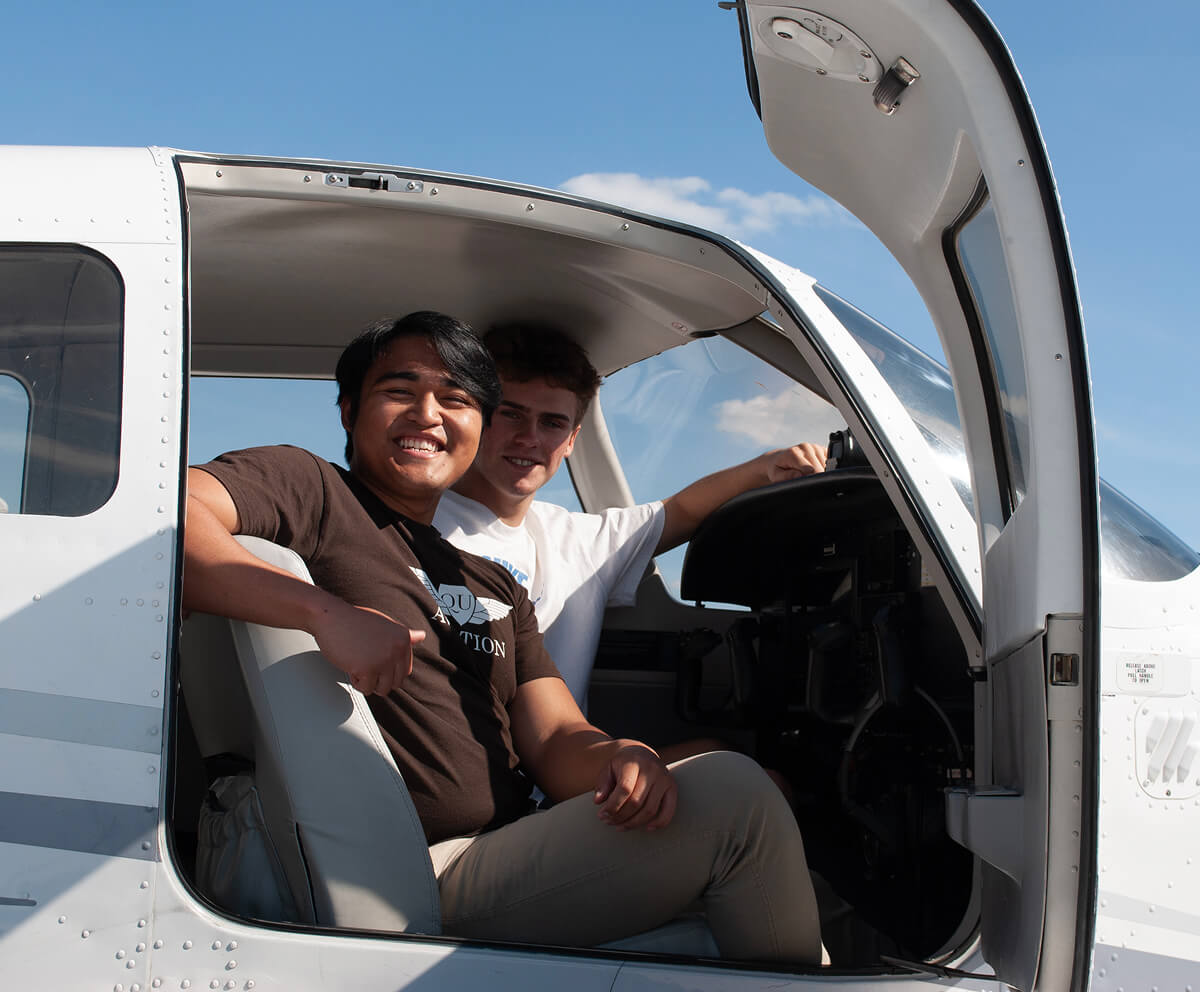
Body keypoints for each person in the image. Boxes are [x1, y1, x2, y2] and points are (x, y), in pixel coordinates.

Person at [183, 311, 822, 962]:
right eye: (399, 391)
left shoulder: (494, 583)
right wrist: (323, 613)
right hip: (421, 868)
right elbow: (168, 512)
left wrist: (623, 756)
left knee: (722, 784)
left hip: (503, 844)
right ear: (350, 411)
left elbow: (554, 736)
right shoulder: (315, 490)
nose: (428, 414)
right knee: (740, 802)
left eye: (456, 399)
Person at [434, 323, 828, 710]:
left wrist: (770, 466)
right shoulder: (417, 520)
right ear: (477, 417)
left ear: (572, 439)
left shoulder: (579, 539)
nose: (529, 438)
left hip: (560, 767)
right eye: (511, 414)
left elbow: (681, 510)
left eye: (552, 423)